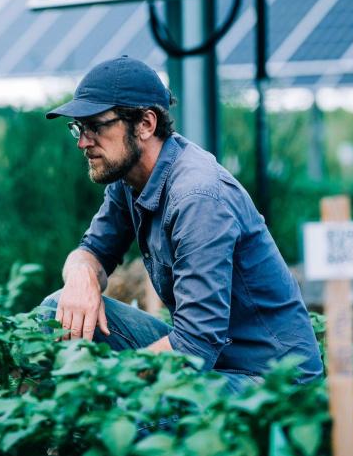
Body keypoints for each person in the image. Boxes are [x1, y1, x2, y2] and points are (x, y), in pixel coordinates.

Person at [40, 55, 322, 393]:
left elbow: (194, 347)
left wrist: (106, 385)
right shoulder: (128, 178)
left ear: (145, 124)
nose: (83, 142)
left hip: (271, 381)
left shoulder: (197, 197)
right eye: (79, 128)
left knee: (125, 413)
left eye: (96, 126)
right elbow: (93, 250)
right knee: (56, 311)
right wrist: (82, 274)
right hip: (215, 362)